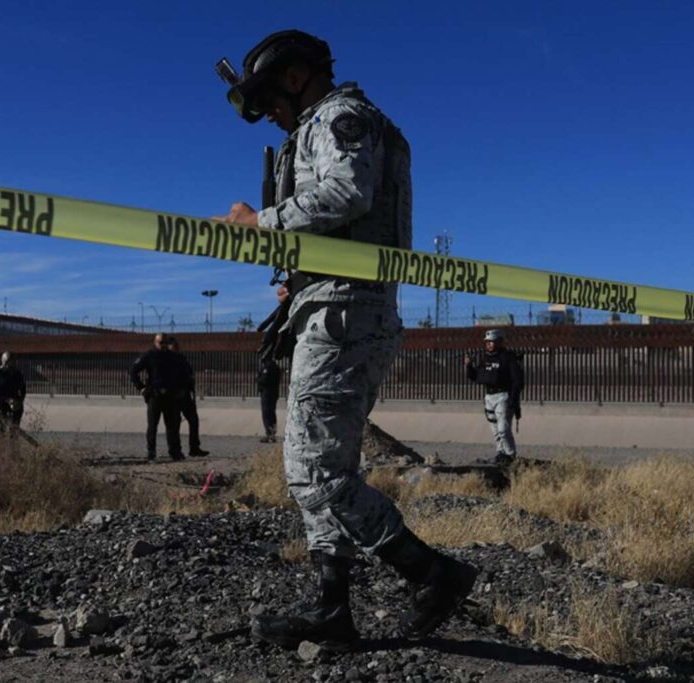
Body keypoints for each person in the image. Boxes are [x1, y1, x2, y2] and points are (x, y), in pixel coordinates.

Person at [216, 29, 477, 650]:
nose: (270, 115)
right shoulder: (336, 122)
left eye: (270, 98)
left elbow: (348, 192)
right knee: (311, 465)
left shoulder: (341, 118)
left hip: (346, 311)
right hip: (333, 301)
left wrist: (265, 224)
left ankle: (431, 573)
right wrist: (300, 278)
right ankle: (333, 609)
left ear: (296, 76)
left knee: (317, 471)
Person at [464, 329, 525, 465]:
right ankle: (501, 453)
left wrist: (513, 399)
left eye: (492, 341)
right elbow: (475, 376)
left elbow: (517, 380)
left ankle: (510, 455)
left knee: (503, 429)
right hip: (489, 397)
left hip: (503, 395)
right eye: (487, 342)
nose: (489, 344)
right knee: (495, 430)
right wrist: (469, 365)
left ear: (500, 342)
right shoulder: (485, 358)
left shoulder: (508, 358)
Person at [128, 333, 185, 461]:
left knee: (172, 426)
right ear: (155, 342)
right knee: (153, 425)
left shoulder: (173, 357)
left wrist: (181, 389)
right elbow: (133, 371)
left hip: (170, 396)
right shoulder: (149, 356)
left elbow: (181, 374)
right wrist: (141, 387)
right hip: (155, 395)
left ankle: (174, 451)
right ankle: (151, 451)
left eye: (165, 342)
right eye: (161, 342)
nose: (163, 345)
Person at [165, 337, 209, 457]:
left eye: (176, 347)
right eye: (173, 347)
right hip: (173, 396)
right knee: (175, 423)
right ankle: (175, 449)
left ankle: (194, 447)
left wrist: (190, 389)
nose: (175, 349)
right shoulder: (166, 362)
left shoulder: (182, 359)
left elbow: (188, 375)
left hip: (185, 395)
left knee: (193, 420)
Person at [0, 351, 27, 434]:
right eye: (10, 361)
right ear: (5, 361)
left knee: (14, 430)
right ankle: (1, 445)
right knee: (1, 429)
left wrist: (20, 401)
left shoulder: (18, 374)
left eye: (14, 360)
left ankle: (13, 445)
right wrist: (6, 399)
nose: (13, 363)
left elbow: (23, 389)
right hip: (1, 403)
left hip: (15, 404)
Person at [256, 356, 281, 443]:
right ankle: (272, 434)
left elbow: (264, 380)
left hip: (267, 393)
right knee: (272, 413)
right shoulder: (275, 366)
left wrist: (258, 379)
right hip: (274, 393)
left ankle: (269, 434)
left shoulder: (268, 367)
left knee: (266, 414)